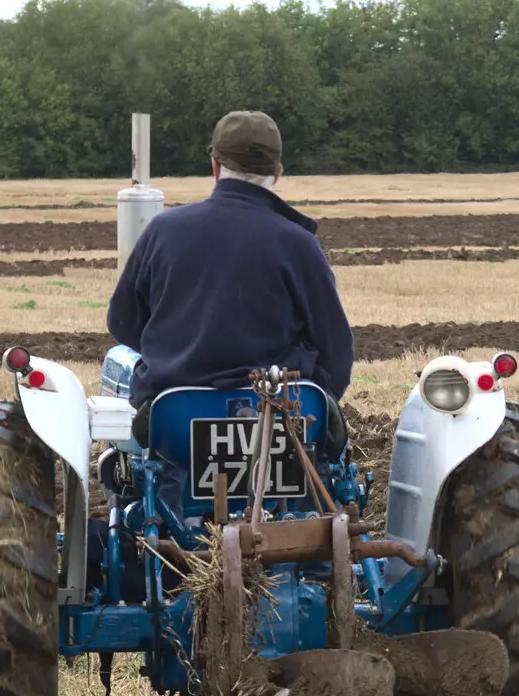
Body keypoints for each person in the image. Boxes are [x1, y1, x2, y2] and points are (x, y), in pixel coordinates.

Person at [107, 110, 354, 456]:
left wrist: (171, 352)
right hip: (281, 420)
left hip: (173, 422)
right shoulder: (298, 243)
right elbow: (336, 351)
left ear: (215, 165)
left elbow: (122, 322)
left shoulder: (164, 231)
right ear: (276, 174)